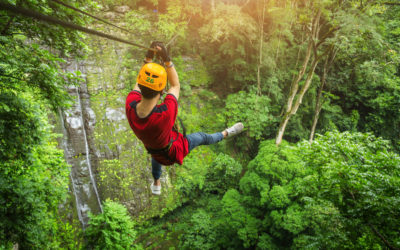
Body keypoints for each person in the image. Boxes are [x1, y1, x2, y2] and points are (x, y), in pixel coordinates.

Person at [125, 42, 243, 195]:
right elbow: (175, 85)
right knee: (201, 137)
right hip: (173, 150)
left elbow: (139, 83)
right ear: (162, 91)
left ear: (140, 87)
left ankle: (156, 182)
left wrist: (149, 59)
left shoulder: (130, 105)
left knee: (156, 157)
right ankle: (226, 133)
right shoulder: (165, 114)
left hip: (154, 148)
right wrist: (166, 59)